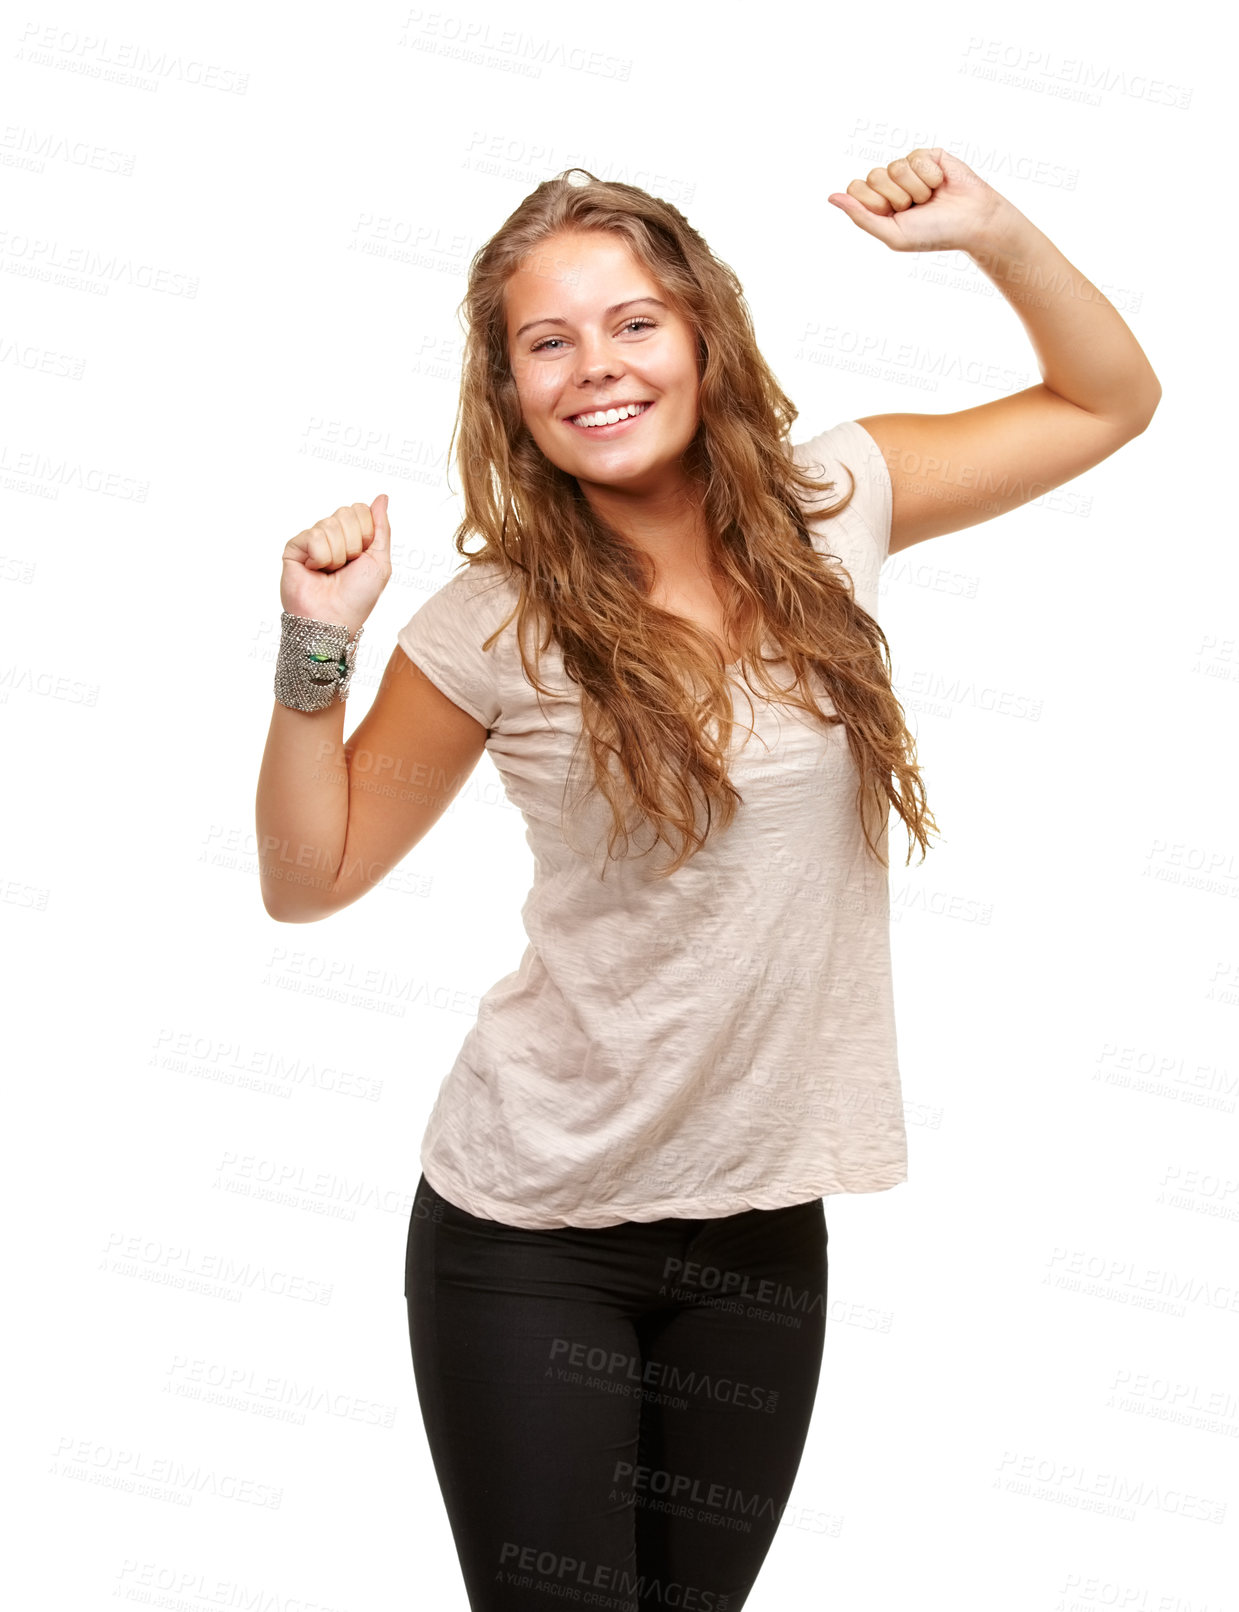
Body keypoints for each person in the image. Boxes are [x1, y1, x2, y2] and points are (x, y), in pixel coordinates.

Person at [255, 151, 1160, 1610]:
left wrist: (991, 232)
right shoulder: (494, 619)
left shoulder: (830, 502)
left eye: (631, 323)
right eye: (546, 341)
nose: (594, 368)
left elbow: (1107, 399)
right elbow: (314, 878)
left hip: (756, 1228)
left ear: (701, 339)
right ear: (507, 390)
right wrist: (317, 651)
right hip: (530, 1236)